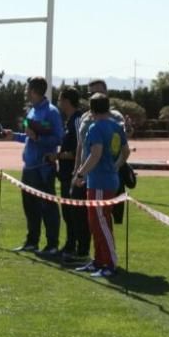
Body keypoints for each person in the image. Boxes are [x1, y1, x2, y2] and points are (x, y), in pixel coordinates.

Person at [2, 76, 64, 256]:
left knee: (48, 207)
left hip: (43, 169)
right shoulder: (32, 111)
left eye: (27, 89)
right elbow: (29, 136)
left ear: (35, 91)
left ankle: (52, 244)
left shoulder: (51, 112)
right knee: (30, 207)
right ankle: (32, 242)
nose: (25, 92)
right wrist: (13, 135)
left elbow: (58, 139)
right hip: (28, 168)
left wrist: (38, 138)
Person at [74, 94, 130, 278]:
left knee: (101, 223)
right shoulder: (116, 126)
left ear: (91, 110)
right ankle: (99, 260)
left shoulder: (95, 128)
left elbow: (95, 154)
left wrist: (81, 173)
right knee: (96, 223)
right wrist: (116, 166)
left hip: (100, 183)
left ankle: (111, 263)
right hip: (106, 180)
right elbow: (126, 151)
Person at [51, 87, 90, 262]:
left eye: (60, 100)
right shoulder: (69, 121)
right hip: (65, 174)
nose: (58, 103)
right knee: (68, 213)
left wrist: (57, 156)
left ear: (67, 101)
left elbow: (78, 151)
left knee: (77, 214)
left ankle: (81, 250)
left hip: (75, 176)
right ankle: (70, 245)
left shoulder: (77, 120)